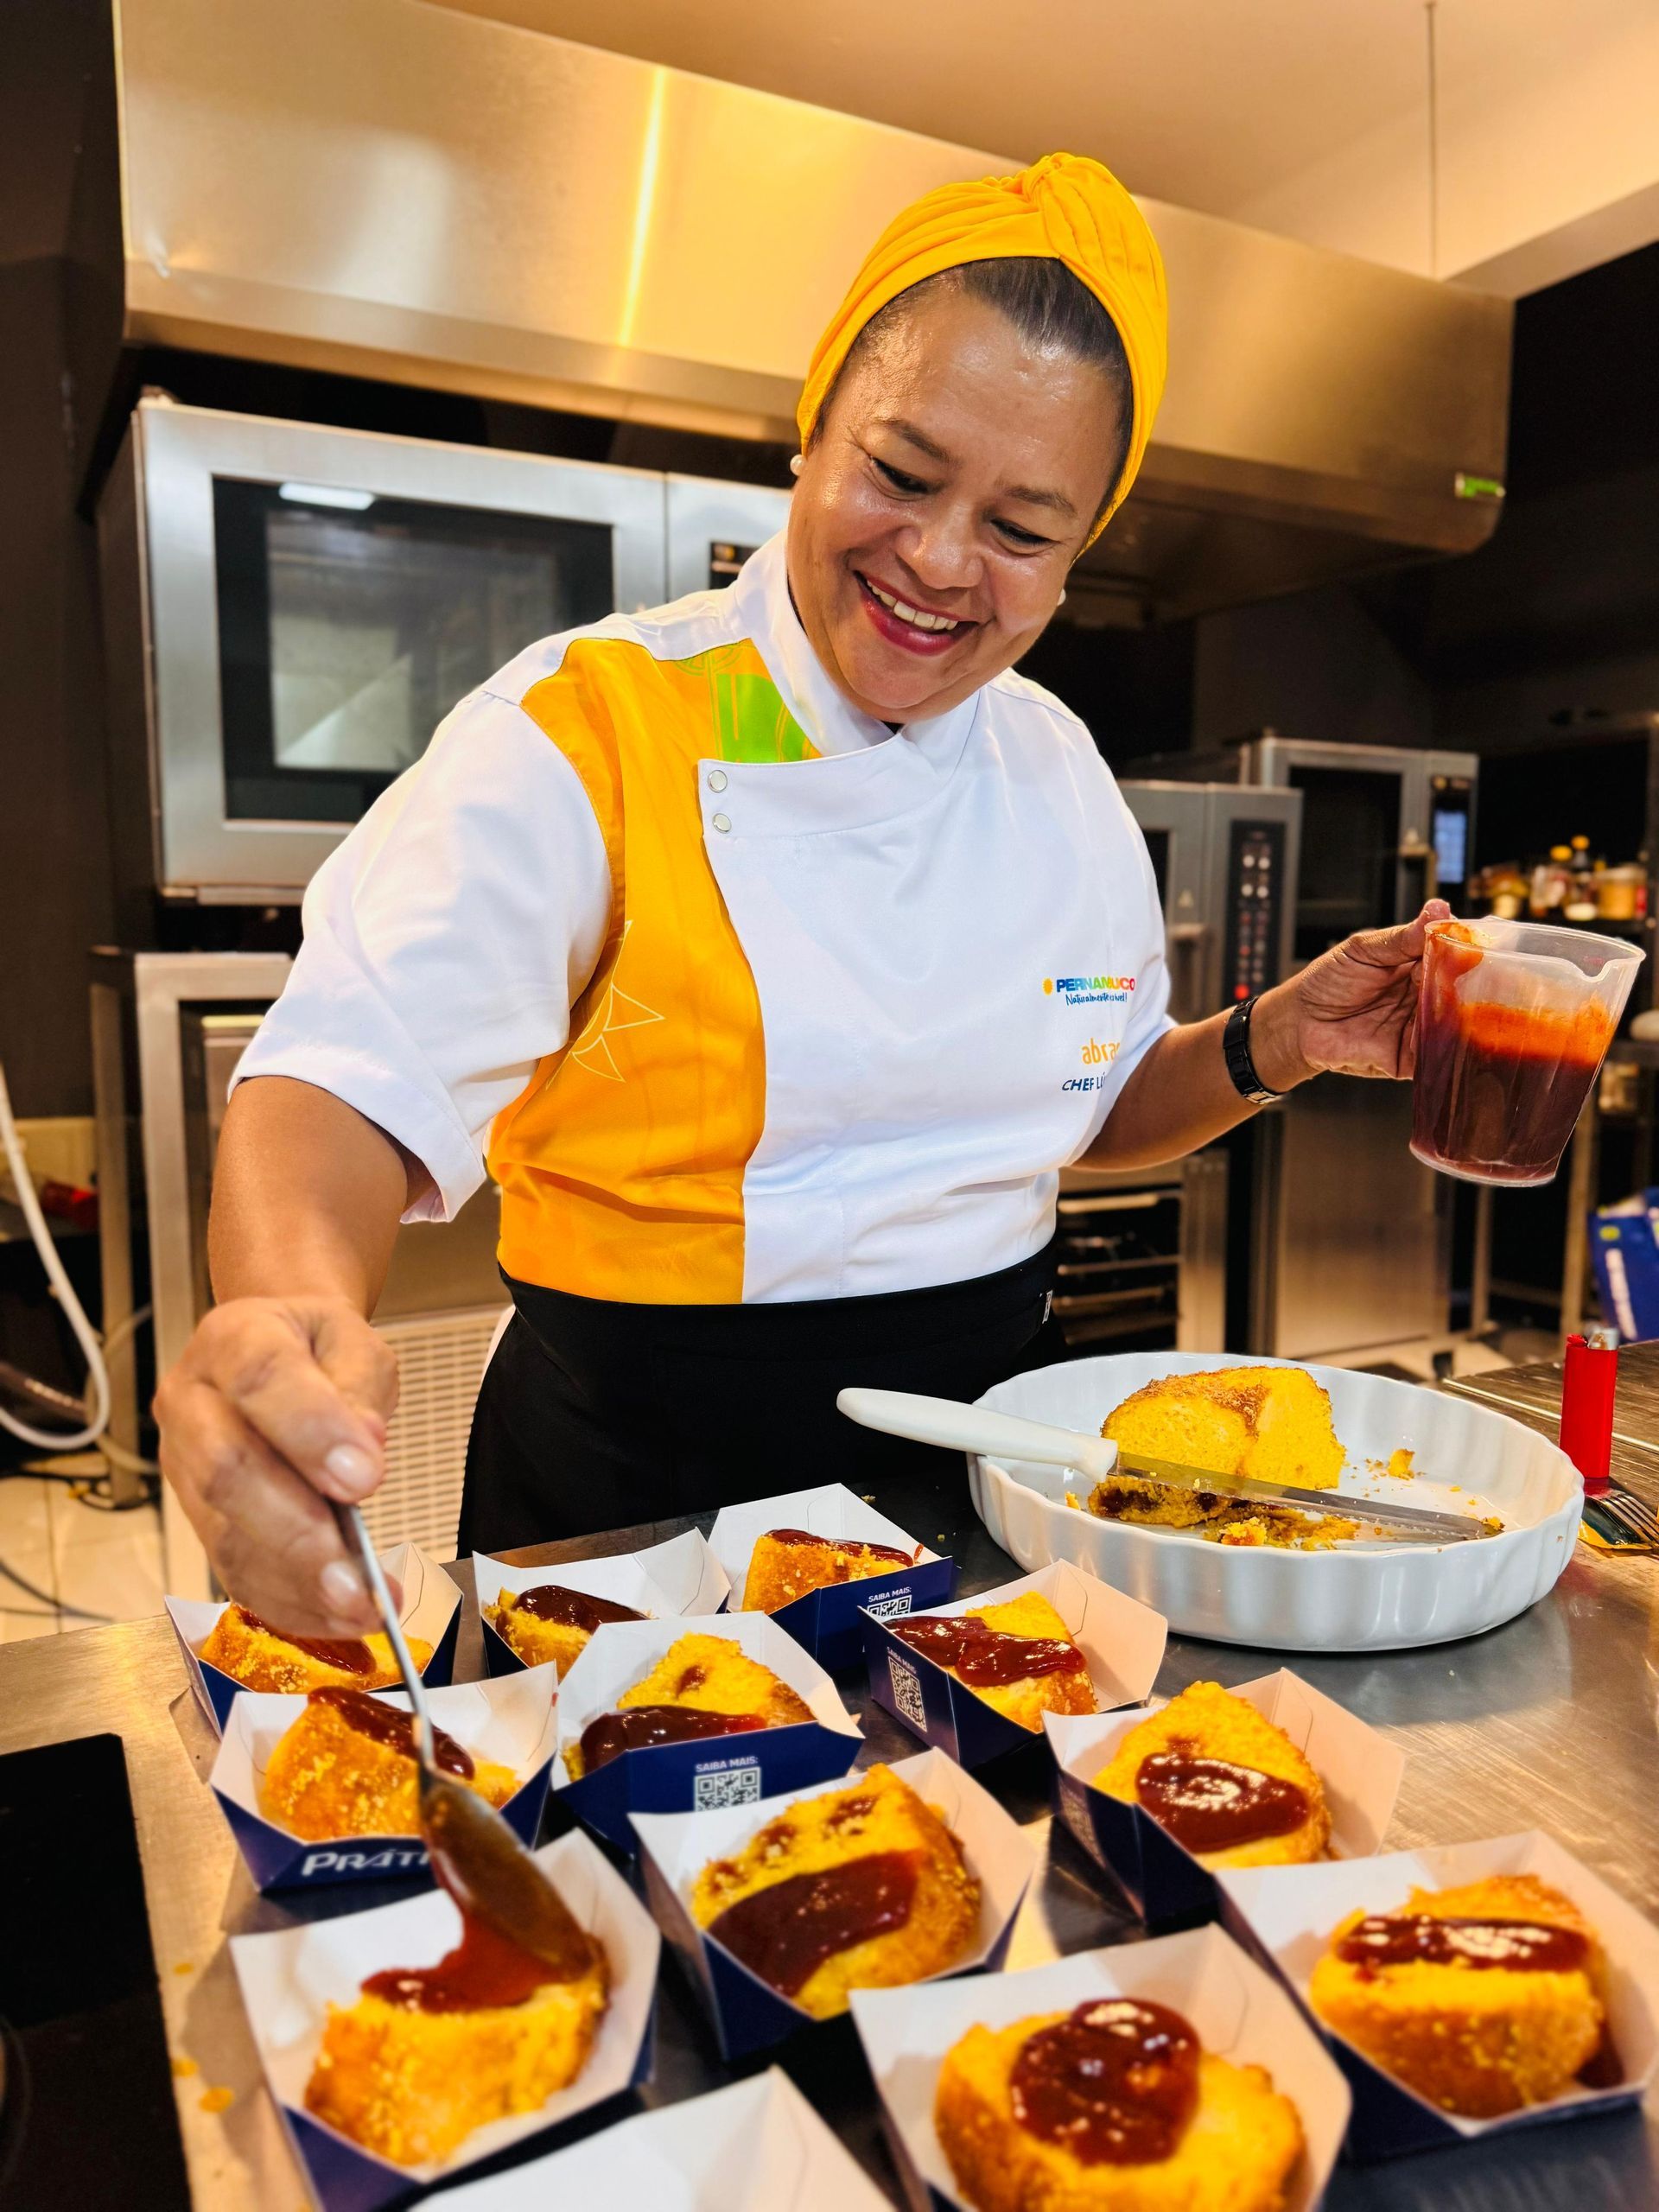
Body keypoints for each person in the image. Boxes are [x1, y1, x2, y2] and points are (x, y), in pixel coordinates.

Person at [155, 152, 1449, 1636]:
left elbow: (1085, 1113)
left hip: (992, 1484)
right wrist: (285, 1315)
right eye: (900, 475)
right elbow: (342, 1083)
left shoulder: (1057, 769)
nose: (941, 562)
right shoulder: (592, 725)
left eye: (1024, 530)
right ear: (813, 429)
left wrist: (1271, 1041)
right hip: (637, 1500)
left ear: (1078, 552)